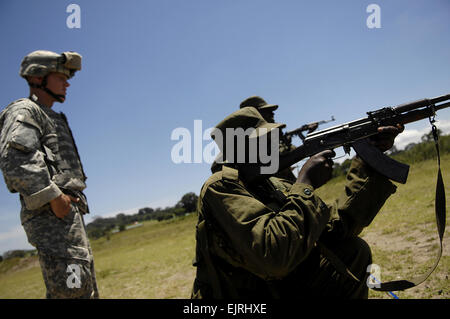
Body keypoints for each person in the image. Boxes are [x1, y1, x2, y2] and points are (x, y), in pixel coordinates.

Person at [191, 106, 403, 299]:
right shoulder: (220, 186)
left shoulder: (270, 183)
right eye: (263, 139)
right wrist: (306, 184)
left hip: (276, 286)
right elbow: (275, 257)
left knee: (353, 250)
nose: (274, 144)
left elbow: (333, 229)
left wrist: (368, 158)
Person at [0, 50, 99, 298]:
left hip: (67, 215)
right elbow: (15, 159)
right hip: (53, 215)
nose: (67, 83)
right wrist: (55, 197)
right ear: (39, 77)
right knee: (71, 291)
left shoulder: (51, 115)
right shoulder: (25, 110)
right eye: (60, 76)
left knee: (83, 288)